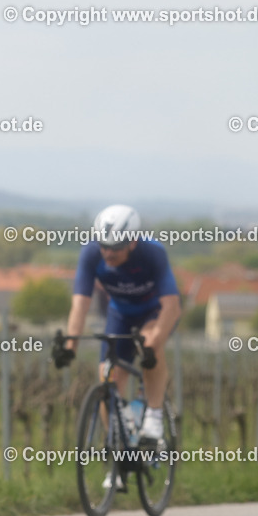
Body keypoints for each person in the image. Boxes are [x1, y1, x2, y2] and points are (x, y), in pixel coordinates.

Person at [54, 205, 180, 484]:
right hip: (120, 314)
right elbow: (80, 305)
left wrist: (153, 344)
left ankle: (155, 416)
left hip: (154, 313)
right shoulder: (90, 253)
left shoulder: (153, 253)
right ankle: (119, 454)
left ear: (133, 242)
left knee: (150, 344)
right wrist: (70, 347)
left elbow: (172, 305)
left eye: (116, 248)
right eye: (104, 247)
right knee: (107, 377)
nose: (108, 253)